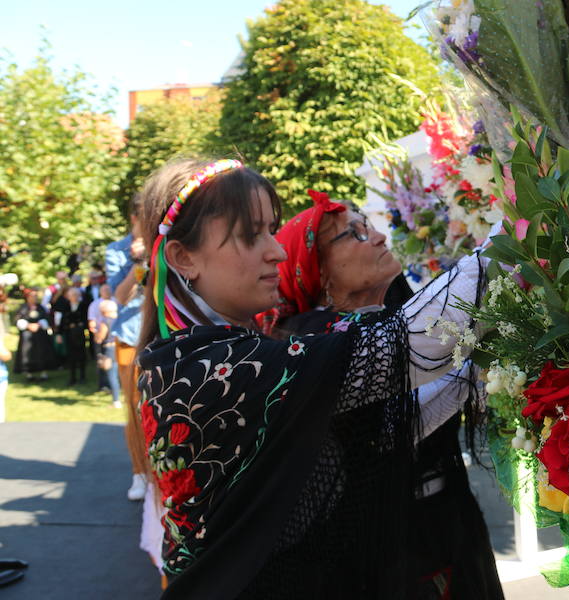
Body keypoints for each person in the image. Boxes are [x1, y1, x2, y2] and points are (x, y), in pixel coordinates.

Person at [134, 158, 490, 599]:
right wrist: (523, 230)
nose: (277, 252)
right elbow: (413, 343)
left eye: (271, 230)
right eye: (251, 235)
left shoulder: (188, 355)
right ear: (183, 257)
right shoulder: (217, 366)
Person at [258, 195, 504, 599]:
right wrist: (521, 229)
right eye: (352, 234)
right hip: (385, 556)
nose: (376, 236)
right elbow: (411, 411)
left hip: (446, 524)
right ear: (320, 276)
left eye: (367, 224)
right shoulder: (312, 346)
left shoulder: (391, 316)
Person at [106, 195, 149, 501]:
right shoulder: (116, 251)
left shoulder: (166, 245)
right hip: (131, 339)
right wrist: (139, 263)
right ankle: (140, 473)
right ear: (134, 219)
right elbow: (121, 297)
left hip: (161, 335)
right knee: (134, 410)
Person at [13, 291, 56, 380]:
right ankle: (29, 373)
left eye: (36, 296)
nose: (34, 298)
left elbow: (47, 319)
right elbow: (17, 320)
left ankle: (43, 372)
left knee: (42, 352)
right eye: (32, 296)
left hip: (40, 335)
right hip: (27, 335)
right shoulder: (23, 308)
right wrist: (28, 326)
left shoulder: (41, 308)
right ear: (27, 297)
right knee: (27, 353)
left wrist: (39, 325)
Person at [56, 286, 88, 385]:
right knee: (71, 356)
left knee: (81, 355)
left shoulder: (83, 305)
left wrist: (78, 325)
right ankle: (72, 377)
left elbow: (86, 320)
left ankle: (82, 377)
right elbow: (62, 321)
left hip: (80, 334)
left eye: (76, 295)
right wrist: (59, 334)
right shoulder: (66, 306)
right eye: (72, 295)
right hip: (69, 334)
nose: (74, 297)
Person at [93, 299, 121, 408]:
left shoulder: (105, 321)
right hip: (119, 347)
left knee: (112, 375)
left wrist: (96, 334)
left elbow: (100, 338)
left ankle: (116, 400)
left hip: (109, 349)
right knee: (118, 373)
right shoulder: (119, 319)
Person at [87, 284, 114, 390]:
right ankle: (104, 384)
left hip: (114, 338)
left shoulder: (116, 300)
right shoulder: (95, 304)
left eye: (108, 290)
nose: (107, 292)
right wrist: (98, 335)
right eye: (104, 290)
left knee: (113, 364)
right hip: (103, 338)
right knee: (102, 362)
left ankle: (114, 385)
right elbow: (92, 322)